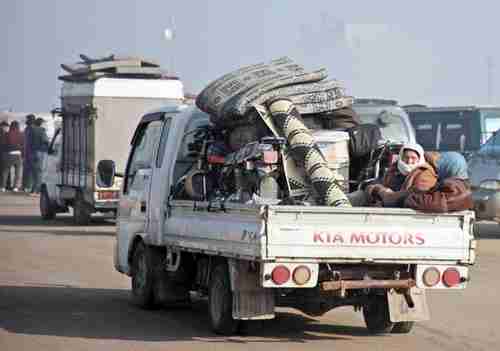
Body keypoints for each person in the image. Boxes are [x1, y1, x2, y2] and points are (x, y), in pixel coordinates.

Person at [366, 142, 438, 207]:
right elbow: (376, 183)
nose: (409, 161)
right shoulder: (394, 169)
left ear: (420, 159)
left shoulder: (425, 173)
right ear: (401, 157)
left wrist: (386, 194)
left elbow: (417, 194)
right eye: (406, 157)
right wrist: (377, 189)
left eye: (413, 158)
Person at [1, 121, 24, 192]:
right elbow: (23, 145)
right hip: (18, 154)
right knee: (18, 172)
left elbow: (3, 144)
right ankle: (15, 187)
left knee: (5, 171)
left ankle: (3, 187)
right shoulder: (21, 134)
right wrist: (23, 154)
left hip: (8, 154)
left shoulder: (7, 134)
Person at [30, 117, 49, 194]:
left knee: (34, 172)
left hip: (33, 152)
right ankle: (38, 190)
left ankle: (33, 189)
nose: (45, 124)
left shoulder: (32, 130)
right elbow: (45, 141)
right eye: (44, 122)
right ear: (41, 123)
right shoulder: (41, 130)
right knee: (40, 172)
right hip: (40, 152)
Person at [22, 114, 36, 193]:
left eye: (27, 119)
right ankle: (26, 186)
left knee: (29, 171)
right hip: (28, 152)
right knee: (28, 171)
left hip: (29, 152)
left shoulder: (30, 129)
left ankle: (27, 186)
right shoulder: (28, 129)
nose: (26, 121)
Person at [0, 121, 10, 192]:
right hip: (3, 153)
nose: (7, 128)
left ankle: (4, 185)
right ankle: (6, 185)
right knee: (5, 170)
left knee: (4, 170)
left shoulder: (5, 133)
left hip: (3, 153)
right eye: (6, 127)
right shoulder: (4, 134)